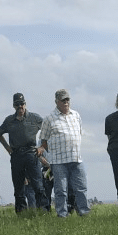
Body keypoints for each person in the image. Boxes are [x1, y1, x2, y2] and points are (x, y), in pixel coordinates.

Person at [39, 89, 90, 217]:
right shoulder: (49, 119)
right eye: (63, 100)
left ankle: (84, 213)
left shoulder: (76, 115)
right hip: (58, 161)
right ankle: (62, 214)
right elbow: (43, 140)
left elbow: (79, 133)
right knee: (61, 190)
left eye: (68, 100)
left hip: (76, 158)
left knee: (81, 187)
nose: (66, 102)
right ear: (57, 102)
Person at [0, 94, 48, 213]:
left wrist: (42, 147)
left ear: (25, 104)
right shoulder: (9, 120)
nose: (20, 106)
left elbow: (47, 130)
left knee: (38, 185)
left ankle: (44, 212)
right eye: (17, 104)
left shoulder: (35, 118)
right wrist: (8, 148)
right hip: (16, 155)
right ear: (14, 106)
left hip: (32, 153)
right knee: (18, 186)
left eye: (22, 104)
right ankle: (21, 214)